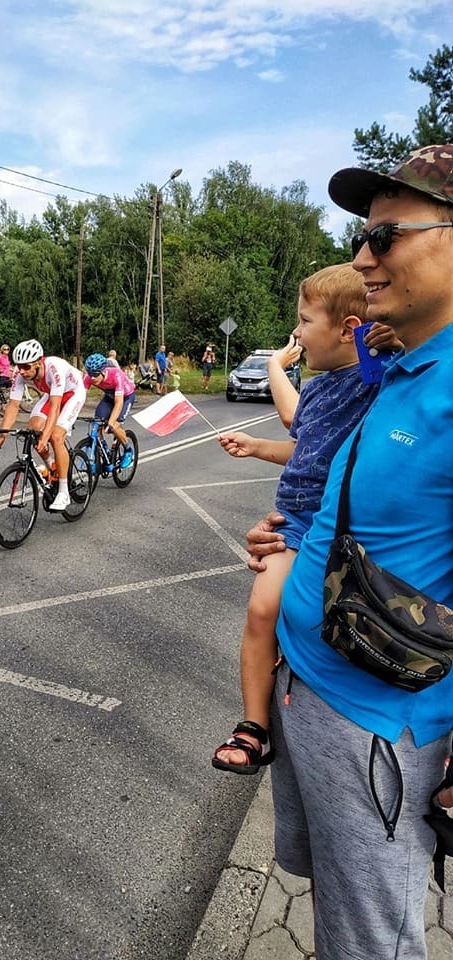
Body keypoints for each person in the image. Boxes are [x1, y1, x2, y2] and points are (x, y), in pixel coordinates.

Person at [244, 145, 453, 959]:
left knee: (373, 941)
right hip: (310, 682)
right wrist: (297, 537)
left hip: (380, 727)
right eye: (362, 236)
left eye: (387, 236)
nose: (363, 258)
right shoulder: (402, 366)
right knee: (336, 906)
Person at [210, 264, 396, 775]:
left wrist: (375, 339)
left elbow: (399, 351)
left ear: (348, 329)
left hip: (337, 522)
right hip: (293, 520)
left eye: (303, 321)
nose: (296, 334)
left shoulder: (373, 377)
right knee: (263, 608)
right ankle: (253, 725)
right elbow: (302, 448)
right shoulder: (315, 389)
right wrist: (254, 446)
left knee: (312, 617)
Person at [0, 339, 85, 511]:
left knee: (55, 436)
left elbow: (55, 408)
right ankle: (52, 466)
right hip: (52, 394)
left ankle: (63, 492)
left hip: (73, 393)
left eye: (26, 367)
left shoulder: (54, 368)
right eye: (19, 366)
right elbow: (13, 405)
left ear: (39, 362)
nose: (22, 371)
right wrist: (2, 436)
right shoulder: (19, 372)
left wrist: (46, 437)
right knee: (33, 430)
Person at [82, 353, 136, 468]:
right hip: (109, 397)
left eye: (95, 375)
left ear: (103, 371)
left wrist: (111, 423)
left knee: (114, 426)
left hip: (125, 397)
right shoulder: (89, 377)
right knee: (97, 424)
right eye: (90, 374)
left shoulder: (116, 375)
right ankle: (105, 451)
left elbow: (119, 403)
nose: (92, 378)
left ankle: (128, 450)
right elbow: (79, 399)